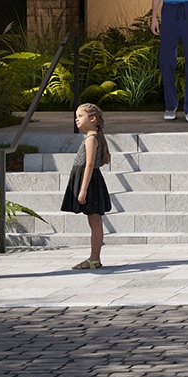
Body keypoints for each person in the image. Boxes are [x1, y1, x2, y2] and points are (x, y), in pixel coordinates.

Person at [61, 102, 112, 270]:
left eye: (80, 116)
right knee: (94, 221)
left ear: (92, 118)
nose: (76, 120)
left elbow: (89, 165)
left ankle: (94, 258)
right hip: (89, 181)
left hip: (89, 182)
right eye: (76, 117)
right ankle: (94, 258)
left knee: (95, 221)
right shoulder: (92, 137)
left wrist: (83, 190)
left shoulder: (92, 139)